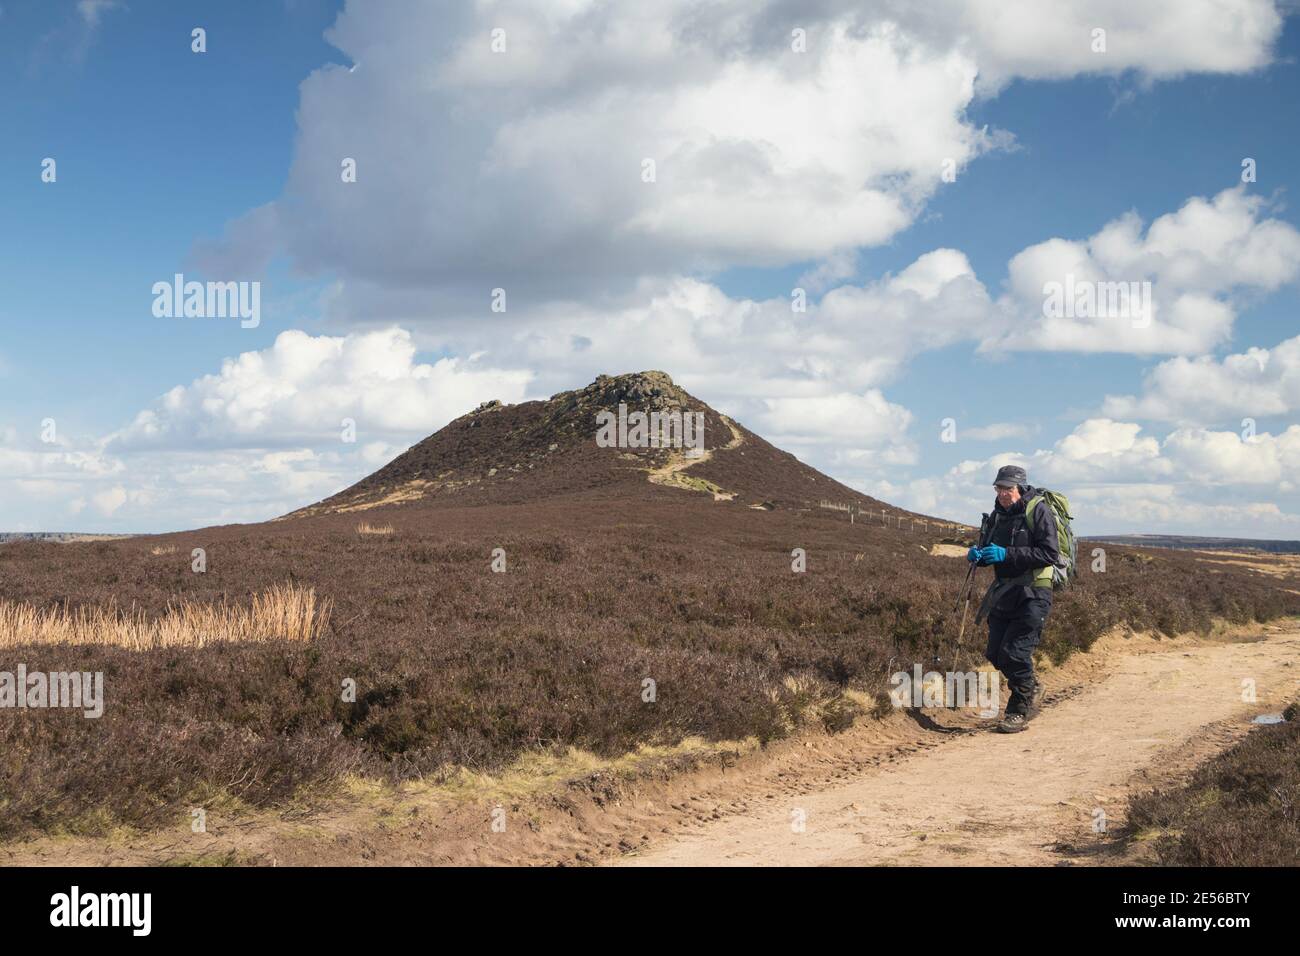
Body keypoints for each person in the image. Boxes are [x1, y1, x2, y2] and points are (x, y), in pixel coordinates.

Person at [967, 465, 1061, 733]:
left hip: (1034, 593)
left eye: (1008, 488)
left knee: (1015, 653)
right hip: (1005, 592)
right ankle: (1032, 686)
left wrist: (1007, 554)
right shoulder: (997, 515)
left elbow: (1048, 554)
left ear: (1020, 488)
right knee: (995, 653)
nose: (1003, 493)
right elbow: (989, 549)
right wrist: (977, 554)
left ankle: (1018, 711)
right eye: (999, 488)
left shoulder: (1038, 510)